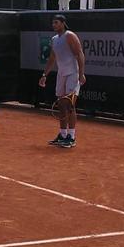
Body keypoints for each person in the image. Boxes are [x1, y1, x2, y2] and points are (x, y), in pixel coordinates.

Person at [39, 14, 86, 148]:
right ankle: (62, 134)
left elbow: (80, 54)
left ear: (63, 23)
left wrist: (81, 74)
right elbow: (52, 58)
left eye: (56, 23)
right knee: (61, 105)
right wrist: (44, 75)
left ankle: (71, 136)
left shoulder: (70, 36)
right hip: (61, 74)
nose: (54, 25)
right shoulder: (54, 39)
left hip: (73, 74)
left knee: (69, 104)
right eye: (53, 23)